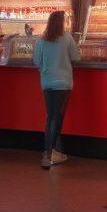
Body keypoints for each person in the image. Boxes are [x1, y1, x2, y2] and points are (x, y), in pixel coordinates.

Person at [33, 10, 80, 169]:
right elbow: (76, 57)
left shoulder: (41, 39)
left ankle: (52, 152)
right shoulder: (67, 38)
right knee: (57, 119)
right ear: (62, 22)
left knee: (50, 118)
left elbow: (36, 61)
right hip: (63, 83)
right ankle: (49, 154)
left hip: (47, 83)